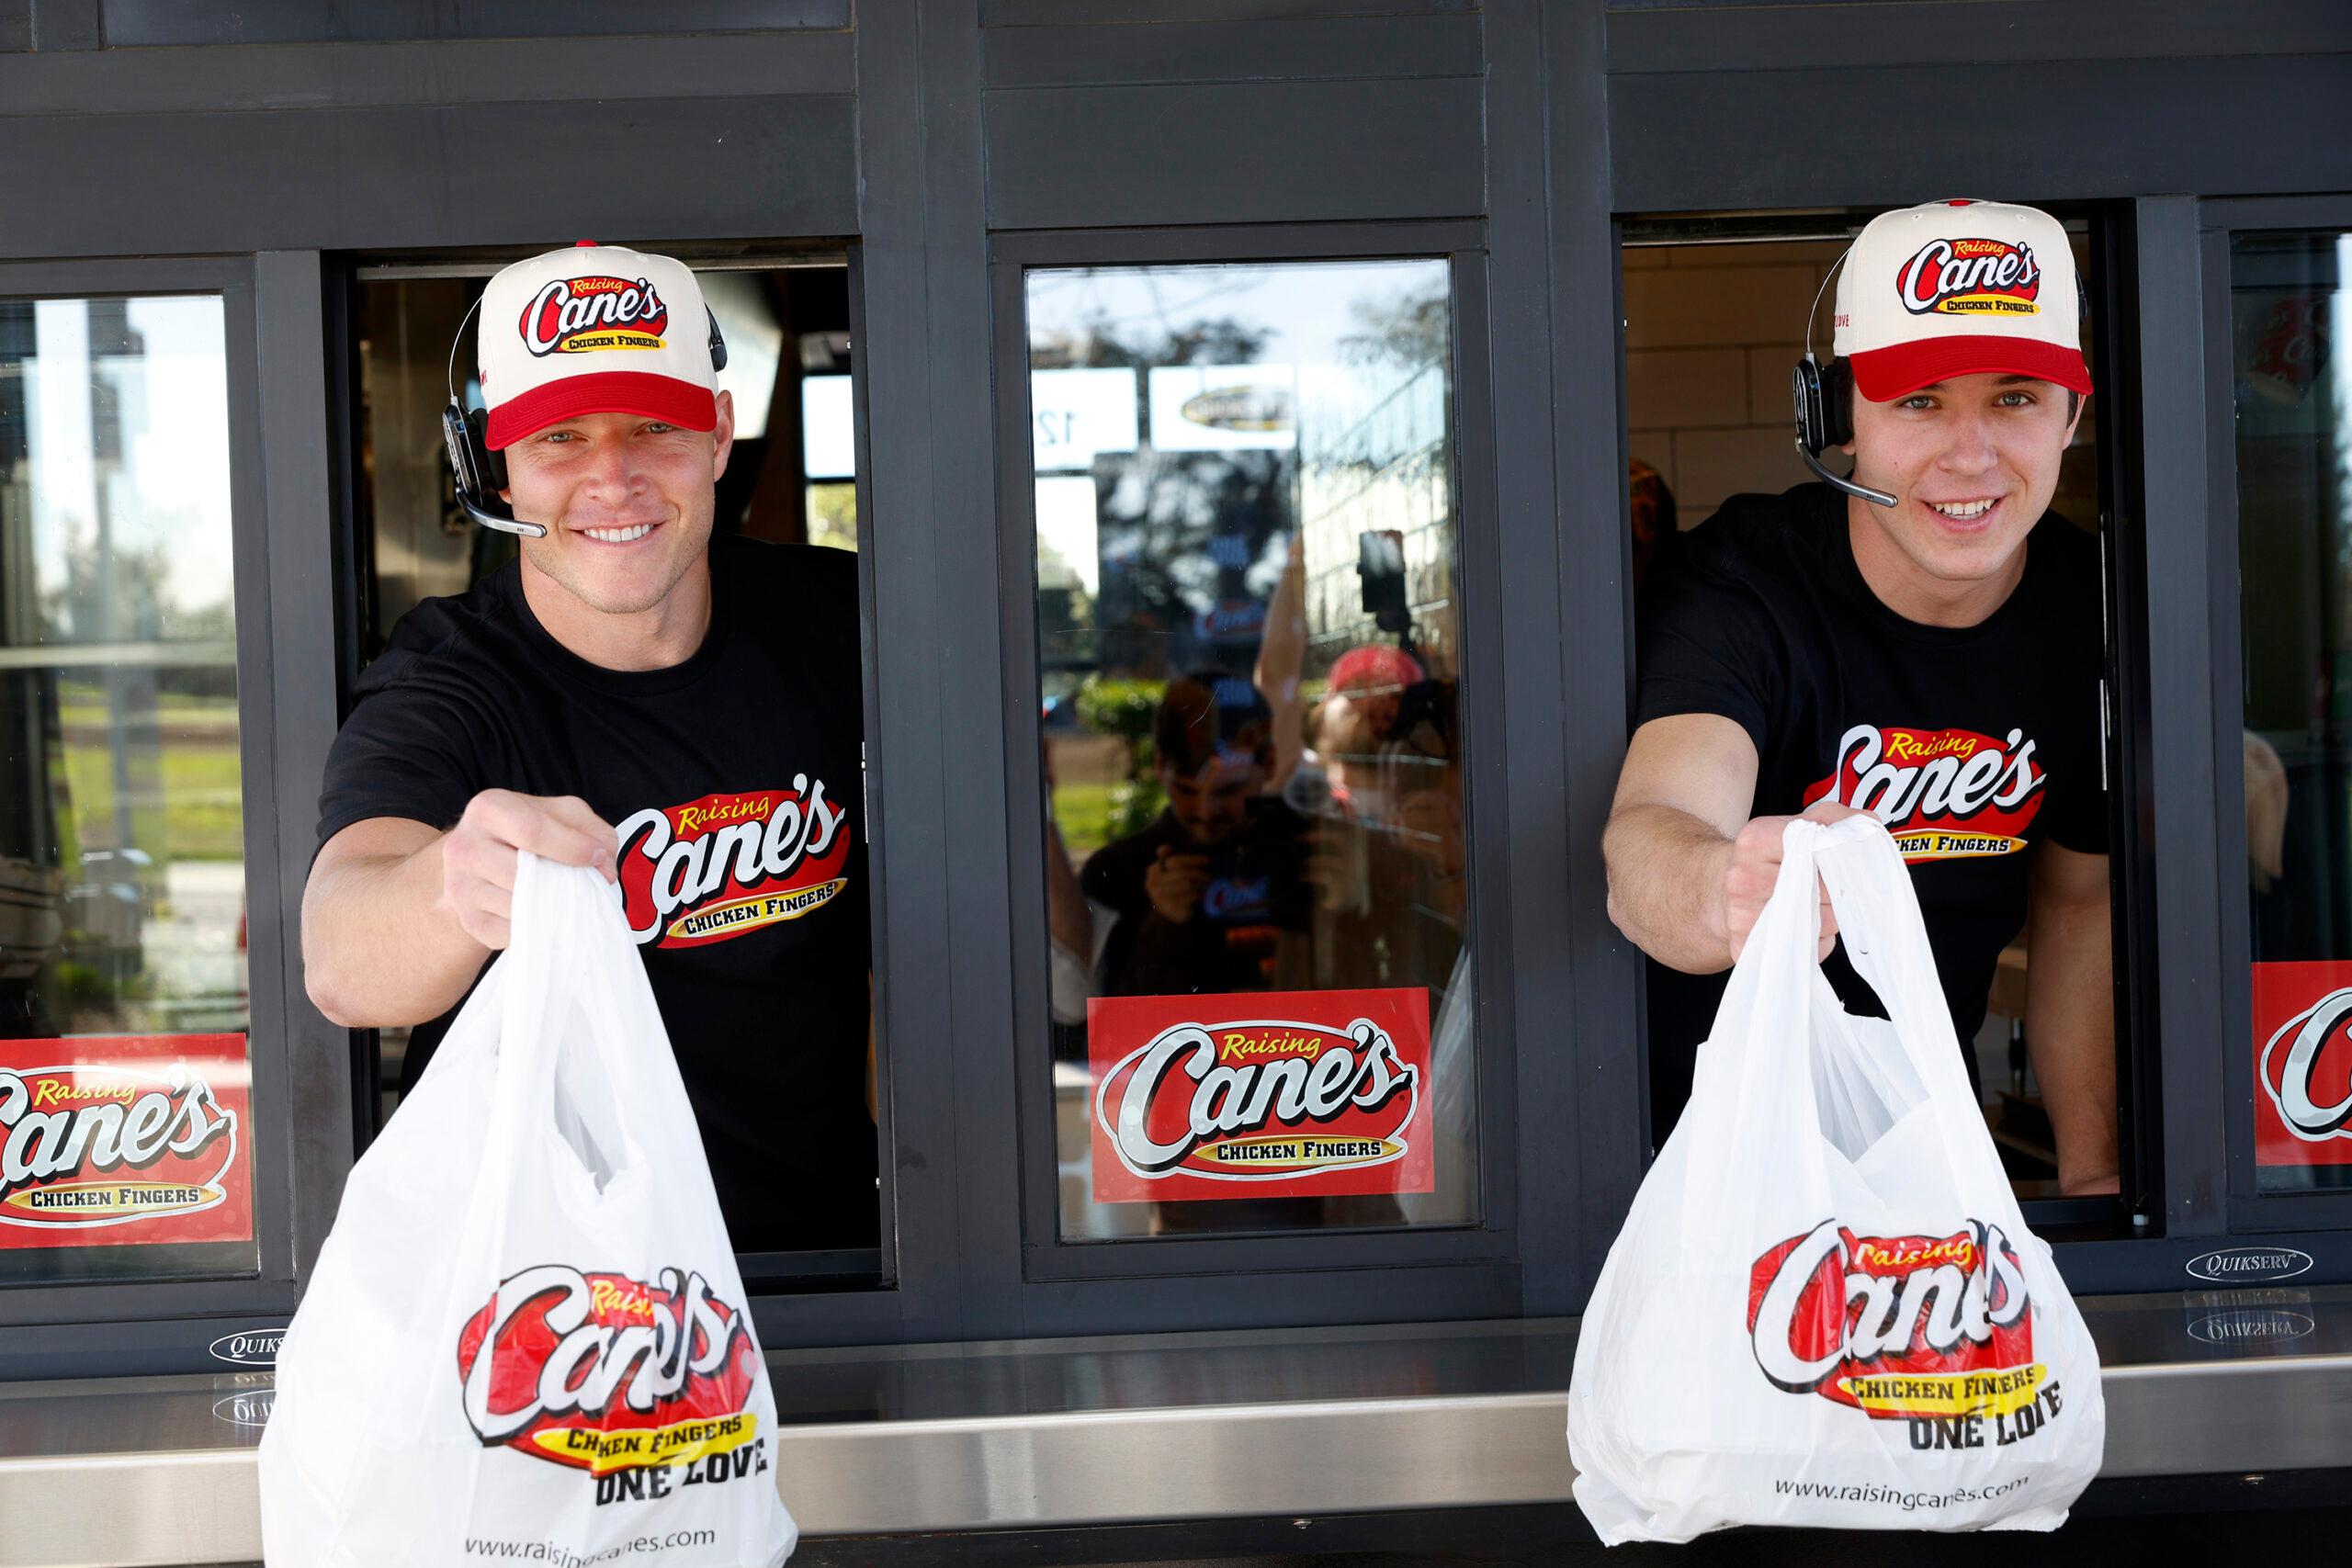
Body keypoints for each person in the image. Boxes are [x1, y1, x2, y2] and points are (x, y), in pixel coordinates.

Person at [302, 243, 876, 1252]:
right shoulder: (447, 681)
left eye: (656, 427)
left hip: (837, 1270)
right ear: (496, 468)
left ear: (719, 434)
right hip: (558, 1300)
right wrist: (453, 882)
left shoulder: (843, 624)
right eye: (559, 437)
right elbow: (344, 961)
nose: (614, 479)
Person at [1605, 199, 2120, 1196]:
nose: (1969, 456)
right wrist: (1724, 889)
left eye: (2015, 397)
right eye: (1919, 400)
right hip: (1681, 1170)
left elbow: (2079, 903)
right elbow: (1650, 832)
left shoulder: (2092, 605)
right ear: (1836, 419)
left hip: (1916, 1157)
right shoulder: (1741, 583)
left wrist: (2094, 1181)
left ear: (2071, 414)